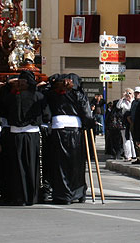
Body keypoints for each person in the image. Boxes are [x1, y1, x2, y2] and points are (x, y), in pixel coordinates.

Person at [0, 70, 45, 206]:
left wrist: (8, 86)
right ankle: (32, 196)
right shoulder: (38, 96)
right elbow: (46, 115)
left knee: (17, 166)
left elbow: (2, 109)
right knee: (32, 165)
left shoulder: (11, 97)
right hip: (32, 134)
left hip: (16, 134)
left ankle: (18, 196)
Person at [45, 73, 92, 205]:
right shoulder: (79, 94)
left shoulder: (53, 94)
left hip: (58, 130)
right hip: (75, 131)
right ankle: (79, 192)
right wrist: (88, 125)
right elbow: (87, 113)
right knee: (77, 163)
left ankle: (62, 193)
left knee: (60, 163)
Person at [118, 89, 136, 161]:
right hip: (125, 122)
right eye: (127, 93)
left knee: (132, 139)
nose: (128, 95)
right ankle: (128, 155)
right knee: (126, 139)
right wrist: (122, 98)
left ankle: (134, 154)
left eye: (130, 93)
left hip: (131, 122)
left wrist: (131, 99)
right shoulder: (123, 102)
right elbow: (118, 106)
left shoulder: (134, 101)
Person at [130, 87, 140, 164]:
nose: (137, 94)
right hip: (133, 123)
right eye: (136, 93)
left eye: (138, 93)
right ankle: (138, 157)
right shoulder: (133, 102)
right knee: (134, 141)